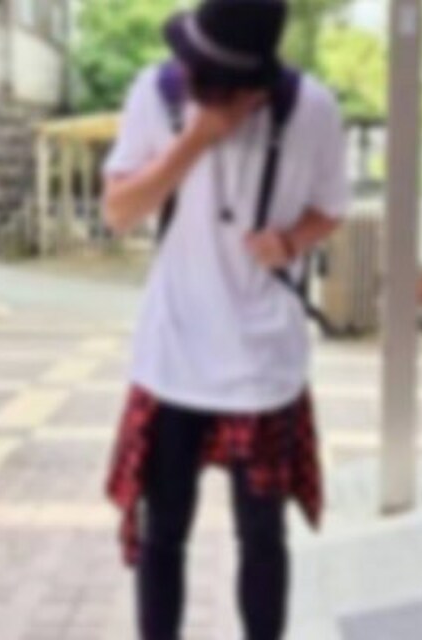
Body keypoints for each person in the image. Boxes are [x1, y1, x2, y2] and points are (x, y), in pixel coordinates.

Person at [102, 1, 350, 638]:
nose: (191, 75)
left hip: (262, 359)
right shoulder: (157, 93)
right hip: (174, 350)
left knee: (262, 536)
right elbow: (119, 212)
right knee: (164, 532)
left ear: (256, 81)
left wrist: (291, 242)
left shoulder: (312, 109)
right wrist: (196, 138)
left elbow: (330, 207)